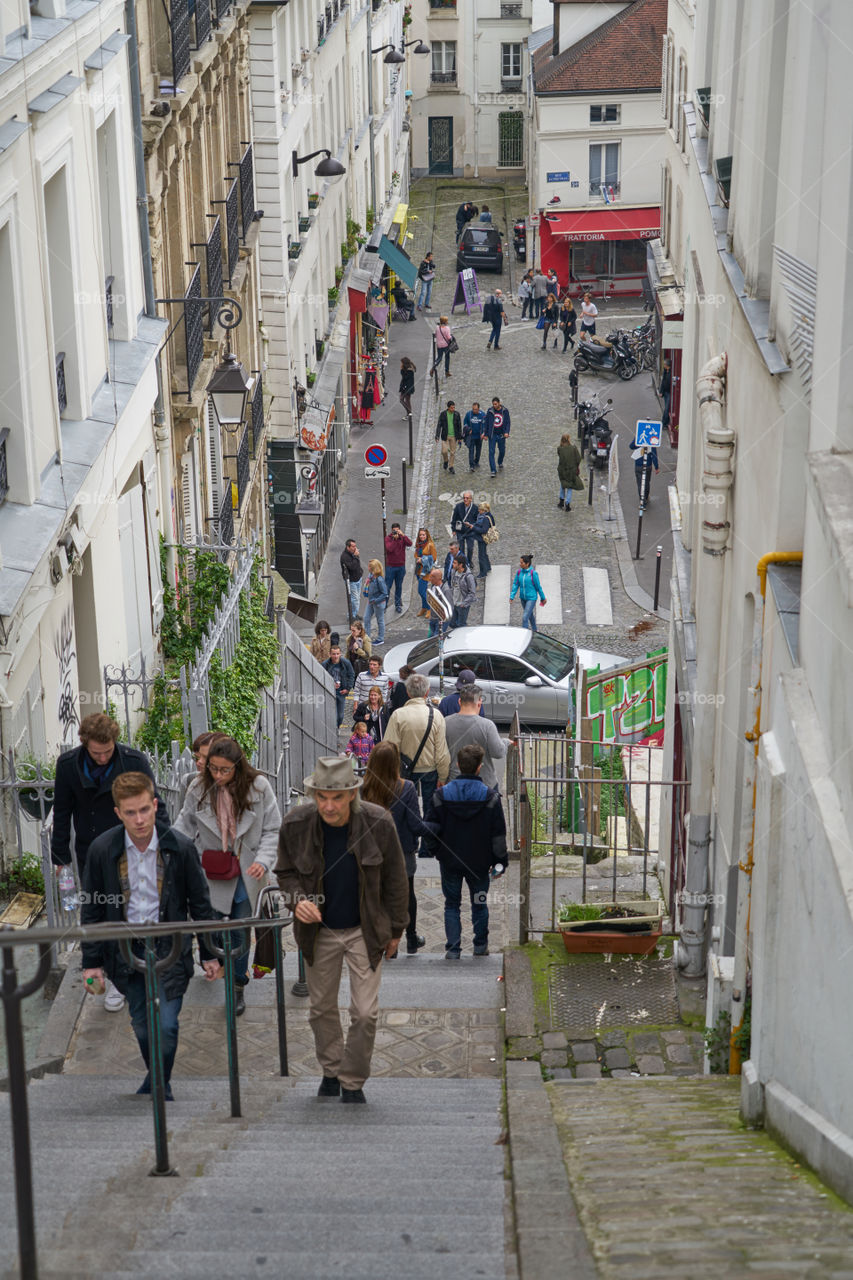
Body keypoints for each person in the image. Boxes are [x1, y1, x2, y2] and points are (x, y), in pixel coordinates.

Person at [275, 756, 409, 1103]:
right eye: (322, 797)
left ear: (352, 794)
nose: (328, 805)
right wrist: (297, 900)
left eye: (336, 797)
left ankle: (353, 1081)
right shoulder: (296, 823)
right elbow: (285, 872)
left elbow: (396, 879)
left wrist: (396, 931)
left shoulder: (379, 823)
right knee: (320, 1008)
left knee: (365, 1012)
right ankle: (331, 1070)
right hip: (319, 932)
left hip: (365, 929)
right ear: (313, 794)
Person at [81, 772, 221, 1099]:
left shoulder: (180, 848)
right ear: (118, 813)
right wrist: (92, 963)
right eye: (130, 812)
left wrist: (209, 953)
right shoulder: (103, 850)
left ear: (155, 805)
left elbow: (200, 903)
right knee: (143, 1026)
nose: (140, 819)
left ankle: (159, 1083)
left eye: (145, 809)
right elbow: (92, 908)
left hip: (169, 947)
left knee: (168, 1026)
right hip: (125, 950)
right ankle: (158, 1079)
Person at [52, 712, 170, 1013]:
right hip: (91, 851)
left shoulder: (133, 760)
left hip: (132, 847)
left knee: (132, 906)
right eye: (96, 752)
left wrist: (167, 845)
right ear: (84, 744)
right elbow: (62, 811)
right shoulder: (68, 766)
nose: (103, 757)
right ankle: (115, 980)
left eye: (107, 751)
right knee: (101, 911)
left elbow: (155, 803)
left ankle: (139, 969)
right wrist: (59, 857)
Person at [174, 735, 281, 1017]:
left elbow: (272, 830)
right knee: (211, 927)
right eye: (213, 768)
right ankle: (217, 962)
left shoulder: (259, 787)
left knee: (239, 930)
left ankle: (236, 986)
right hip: (210, 869)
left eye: (225, 770)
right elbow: (183, 826)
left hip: (247, 869)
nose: (218, 775)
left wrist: (263, 860)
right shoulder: (198, 787)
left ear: (238, 766)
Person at [424, 743, 507, 959]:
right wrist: (500, 862)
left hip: (449, 859)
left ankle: (453, 948)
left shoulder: (440, 795)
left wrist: (435, 851)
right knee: (479, 902)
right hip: (479, 861)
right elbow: (498, 834)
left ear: (458, 765)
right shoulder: (490, 798)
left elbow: (431, 828)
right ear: (479, 767)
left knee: (451, 904)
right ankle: (480, 945)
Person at [362, 742, 432, 958]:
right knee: (406, 895)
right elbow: (415, 825)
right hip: (402, 852)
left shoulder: (362, 789)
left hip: (372, 853)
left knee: (376, 895)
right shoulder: (407, 787)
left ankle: (381, 940)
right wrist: (438, 828)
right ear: (395, 764)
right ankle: (410, 937)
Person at [384, 673, 451, 821]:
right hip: (430, 770)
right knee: (429, 811)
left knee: (407, 812)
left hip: (404, 771)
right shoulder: (436, 715)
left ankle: (410, 841)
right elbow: (441, 752)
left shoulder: (398, 715)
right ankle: (426, 842)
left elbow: (389, 747)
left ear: (408, 692)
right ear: (427, 692)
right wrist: (443, 776)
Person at [444, 686, 507, 788]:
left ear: (459, 701)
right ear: (479, 702)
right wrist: (505, 742)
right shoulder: (487, 725)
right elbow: (498, 752)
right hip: (485, 783)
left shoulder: (446, 722)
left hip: (455, 782)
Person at [510, 554, 547, 632]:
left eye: (522, 563)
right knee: (529, 615)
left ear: (527, 564)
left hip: (531, 598)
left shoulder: (533, 573)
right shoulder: (519, 572)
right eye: (520, 562)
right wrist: (512, 596)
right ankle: (535, 630)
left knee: (525, 617)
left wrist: (543, 598)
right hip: (523, 598)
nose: (520, 564)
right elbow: (516, 584)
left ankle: (524, 635)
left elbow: (538, 587)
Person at [324, 644, 355, 729]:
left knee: (340, 716)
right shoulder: (325, 664)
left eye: (337, 654)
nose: (336, 656)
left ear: (340, 654)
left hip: (341, 692)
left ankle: (337, 728)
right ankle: (333, 731)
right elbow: (321, 678)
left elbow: (351, 675)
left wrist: (348, 689)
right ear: (330, 654)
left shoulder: (346, 663)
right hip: (329, 692)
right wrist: (330, 685)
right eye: (334, 654)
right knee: (331, 715)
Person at [383, 522, 412, 614]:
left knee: (399, 587)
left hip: (400, 566)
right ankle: (384, 605)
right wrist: (395, 540)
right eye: (394, 531)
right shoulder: (388, 538)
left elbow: (410, 543)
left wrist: (403, 536)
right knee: (387, 586)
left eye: (397, 530)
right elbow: (389, 549)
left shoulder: (402, 538)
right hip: (391, 567)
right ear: (392, 531)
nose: (395, 532)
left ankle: (398, 604)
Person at [362, 559, 389, 646]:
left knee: (380, 620)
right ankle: (367, 638)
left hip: (378, 603)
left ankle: (380, 639)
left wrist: (375, 600)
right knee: (366, 618)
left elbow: (385, 593)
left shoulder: (379, 580)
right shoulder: (371, 576)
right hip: (371, 601)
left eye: (370, 566)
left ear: (374, 568)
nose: (368, 567)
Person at [448, 555, 477, 632]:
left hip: (462, 605)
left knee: (461, 626)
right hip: (454, 603)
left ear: (460, 565)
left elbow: (472, 593)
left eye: (454, 563)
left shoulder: (468, 576)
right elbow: (452, 586)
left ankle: (461, 637)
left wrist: (464, 603)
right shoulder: (453, 572)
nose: (452, 564)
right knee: (451, 623)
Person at [414, 526, 438, 617]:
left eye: (423, 535)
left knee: (421, 591)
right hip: (419, 570)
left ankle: (429, 608)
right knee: (422, 590)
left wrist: (422, 560)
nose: (422, 536)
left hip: (426, 571)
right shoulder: (419, 544)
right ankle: (424, 607)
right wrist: (417, 558)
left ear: (427, 535)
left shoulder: (430, 545)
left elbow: (434, 557)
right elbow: (416, 554)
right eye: (420, 535)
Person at [557, 431, 584, 511]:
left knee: (563, 484)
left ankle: (561, 501)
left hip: (562, 470)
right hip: (571, 471)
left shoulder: (560, 449)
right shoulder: (573, 448)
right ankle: (567, 503)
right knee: (570, 487)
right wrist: (575, 465)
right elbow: (578, 459)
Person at [450, 489, 479, 563]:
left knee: (470, 548)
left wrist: (472, 525)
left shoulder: (475, 508)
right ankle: (463, 562)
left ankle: (469, 561)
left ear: (471, 499)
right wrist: (453, 529)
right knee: (461, 548)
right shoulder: (458, 506)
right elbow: (454, 518)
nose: (465, 499)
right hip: (460, 531)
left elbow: (477, 521)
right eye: (464, 498)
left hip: (470, 532)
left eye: (467, 498)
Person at [485, 397, 511, 477]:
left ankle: (500, 462)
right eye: (493, 404)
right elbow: (487, 423)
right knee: (491, 452)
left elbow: (508, 423)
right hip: (492, 435)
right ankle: (493, 470)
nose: (494, 406)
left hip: (501, 435)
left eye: (496, 404)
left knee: (502, 450)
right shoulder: (490, 411)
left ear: (499, 403)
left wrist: (506, 432)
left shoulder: (505, 411)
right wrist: (486, 434)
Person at [435, 399, 462, 474]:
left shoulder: (457, 414)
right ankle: (446, 460)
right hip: (445, 435)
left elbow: (459, 426)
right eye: (452, 408)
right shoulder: (443, 414)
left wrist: (460, 437)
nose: (453, 409)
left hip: (454, 436)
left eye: (454, 407)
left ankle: (451, 466)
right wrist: (437, 436)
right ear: (448, 408)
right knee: (444, 451)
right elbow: (439, 425)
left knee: (453, 452)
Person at [340, 539, 363, 622]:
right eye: (353, 546)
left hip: (358, 578)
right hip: (351, 581)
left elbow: (357, 564)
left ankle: (354, 613)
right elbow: (352, 567)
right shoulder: (344, 557)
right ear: (348, 547)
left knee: (357, 598)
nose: (355, 548)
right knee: (355, 599)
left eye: (355, 546)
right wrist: (356, 556)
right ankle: (351, 616)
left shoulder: (353, 553)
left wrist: (360, 571)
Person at [426, 568, 451, 638]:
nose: (430, 579)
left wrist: (443, 621)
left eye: (432, 577)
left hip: (440, 621)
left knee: (436, 638)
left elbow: (448, 608)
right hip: (433, 618)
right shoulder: (433, 586)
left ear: (438, 578)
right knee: (430, 638)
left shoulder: (446, 590)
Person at [474, 500, 496, 578]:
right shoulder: (488, 515)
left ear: (484, 510)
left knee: (481, 555)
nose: (478, 510)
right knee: (484, 553)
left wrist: (473, 527)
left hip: (483, 539)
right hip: (483, 538)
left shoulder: (485, 518)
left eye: (480, 509)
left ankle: (483, 572)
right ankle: (488, 567)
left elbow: (483, 530)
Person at [462, 401, 486, 472]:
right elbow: (465, 423)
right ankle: (471, 465)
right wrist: (468, 429)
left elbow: (485, 424)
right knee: (471, 451)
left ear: (479, 409)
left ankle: (476, 461)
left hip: (479, 437)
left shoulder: (483, 415)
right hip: (471, 436)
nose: (474, 410)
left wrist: (483, 433)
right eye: (473, 409)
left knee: (478, 450)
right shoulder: (468, 414)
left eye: (475, 409)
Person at [659, 358, 672, 430]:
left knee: (667, 408)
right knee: (666, 408)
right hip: (666, 392)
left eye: (664, 364)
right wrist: (661, 391)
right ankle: (665, 422)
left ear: (667, 365)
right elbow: (663, 381)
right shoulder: (665, 371)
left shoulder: (670, 372)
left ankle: (664, 423)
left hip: (669, 392)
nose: (663, 366)